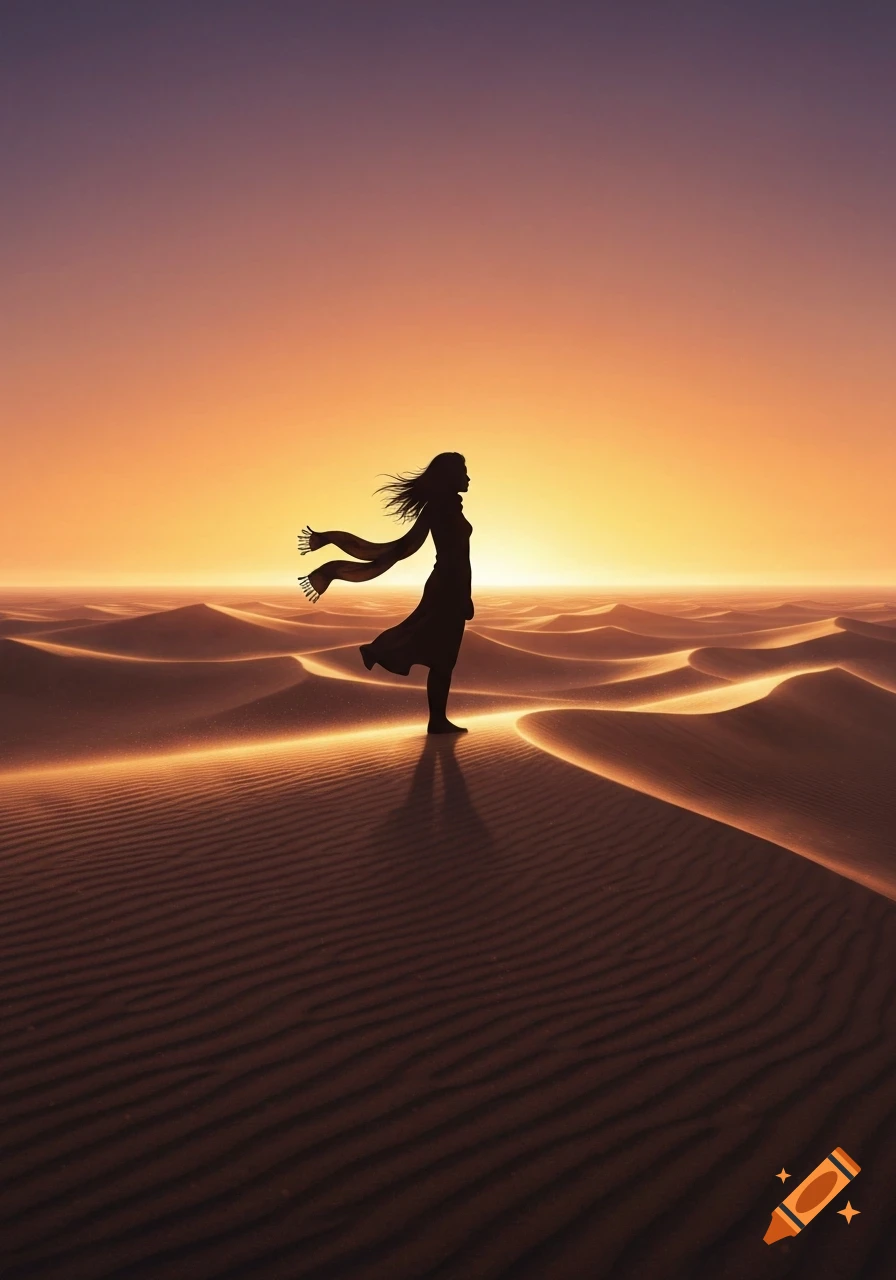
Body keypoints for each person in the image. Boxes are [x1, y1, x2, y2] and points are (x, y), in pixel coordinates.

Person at [298, 452, 473, 734]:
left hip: (448, 584)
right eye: (463, 471)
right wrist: (462, 595)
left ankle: (436, 718)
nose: (468, 477)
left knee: (439, 652)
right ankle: (434, 717)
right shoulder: (441, 508)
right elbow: (445, 558)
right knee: (443, 656)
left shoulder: (448, 507)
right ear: (449, 476)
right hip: (448, 586)